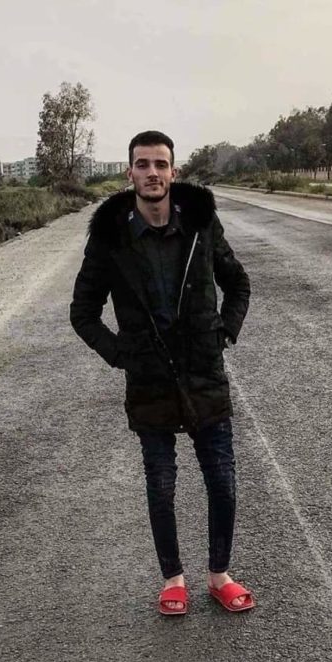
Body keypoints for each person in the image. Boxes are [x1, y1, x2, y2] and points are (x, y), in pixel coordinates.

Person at [70, 130, 254, 615]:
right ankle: (173, 578)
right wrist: (122, 355)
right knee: (161, 484)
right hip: (149, 379)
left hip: (203, 372)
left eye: (160, 164)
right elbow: (83, 312)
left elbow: (238, 283)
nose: (152, 173)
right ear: (129, 172)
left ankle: (219, 575)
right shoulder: (110, 238)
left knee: (222, 480)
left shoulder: (201, 226)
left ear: (174, 171)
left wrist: (224, 333)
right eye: (143, 164)